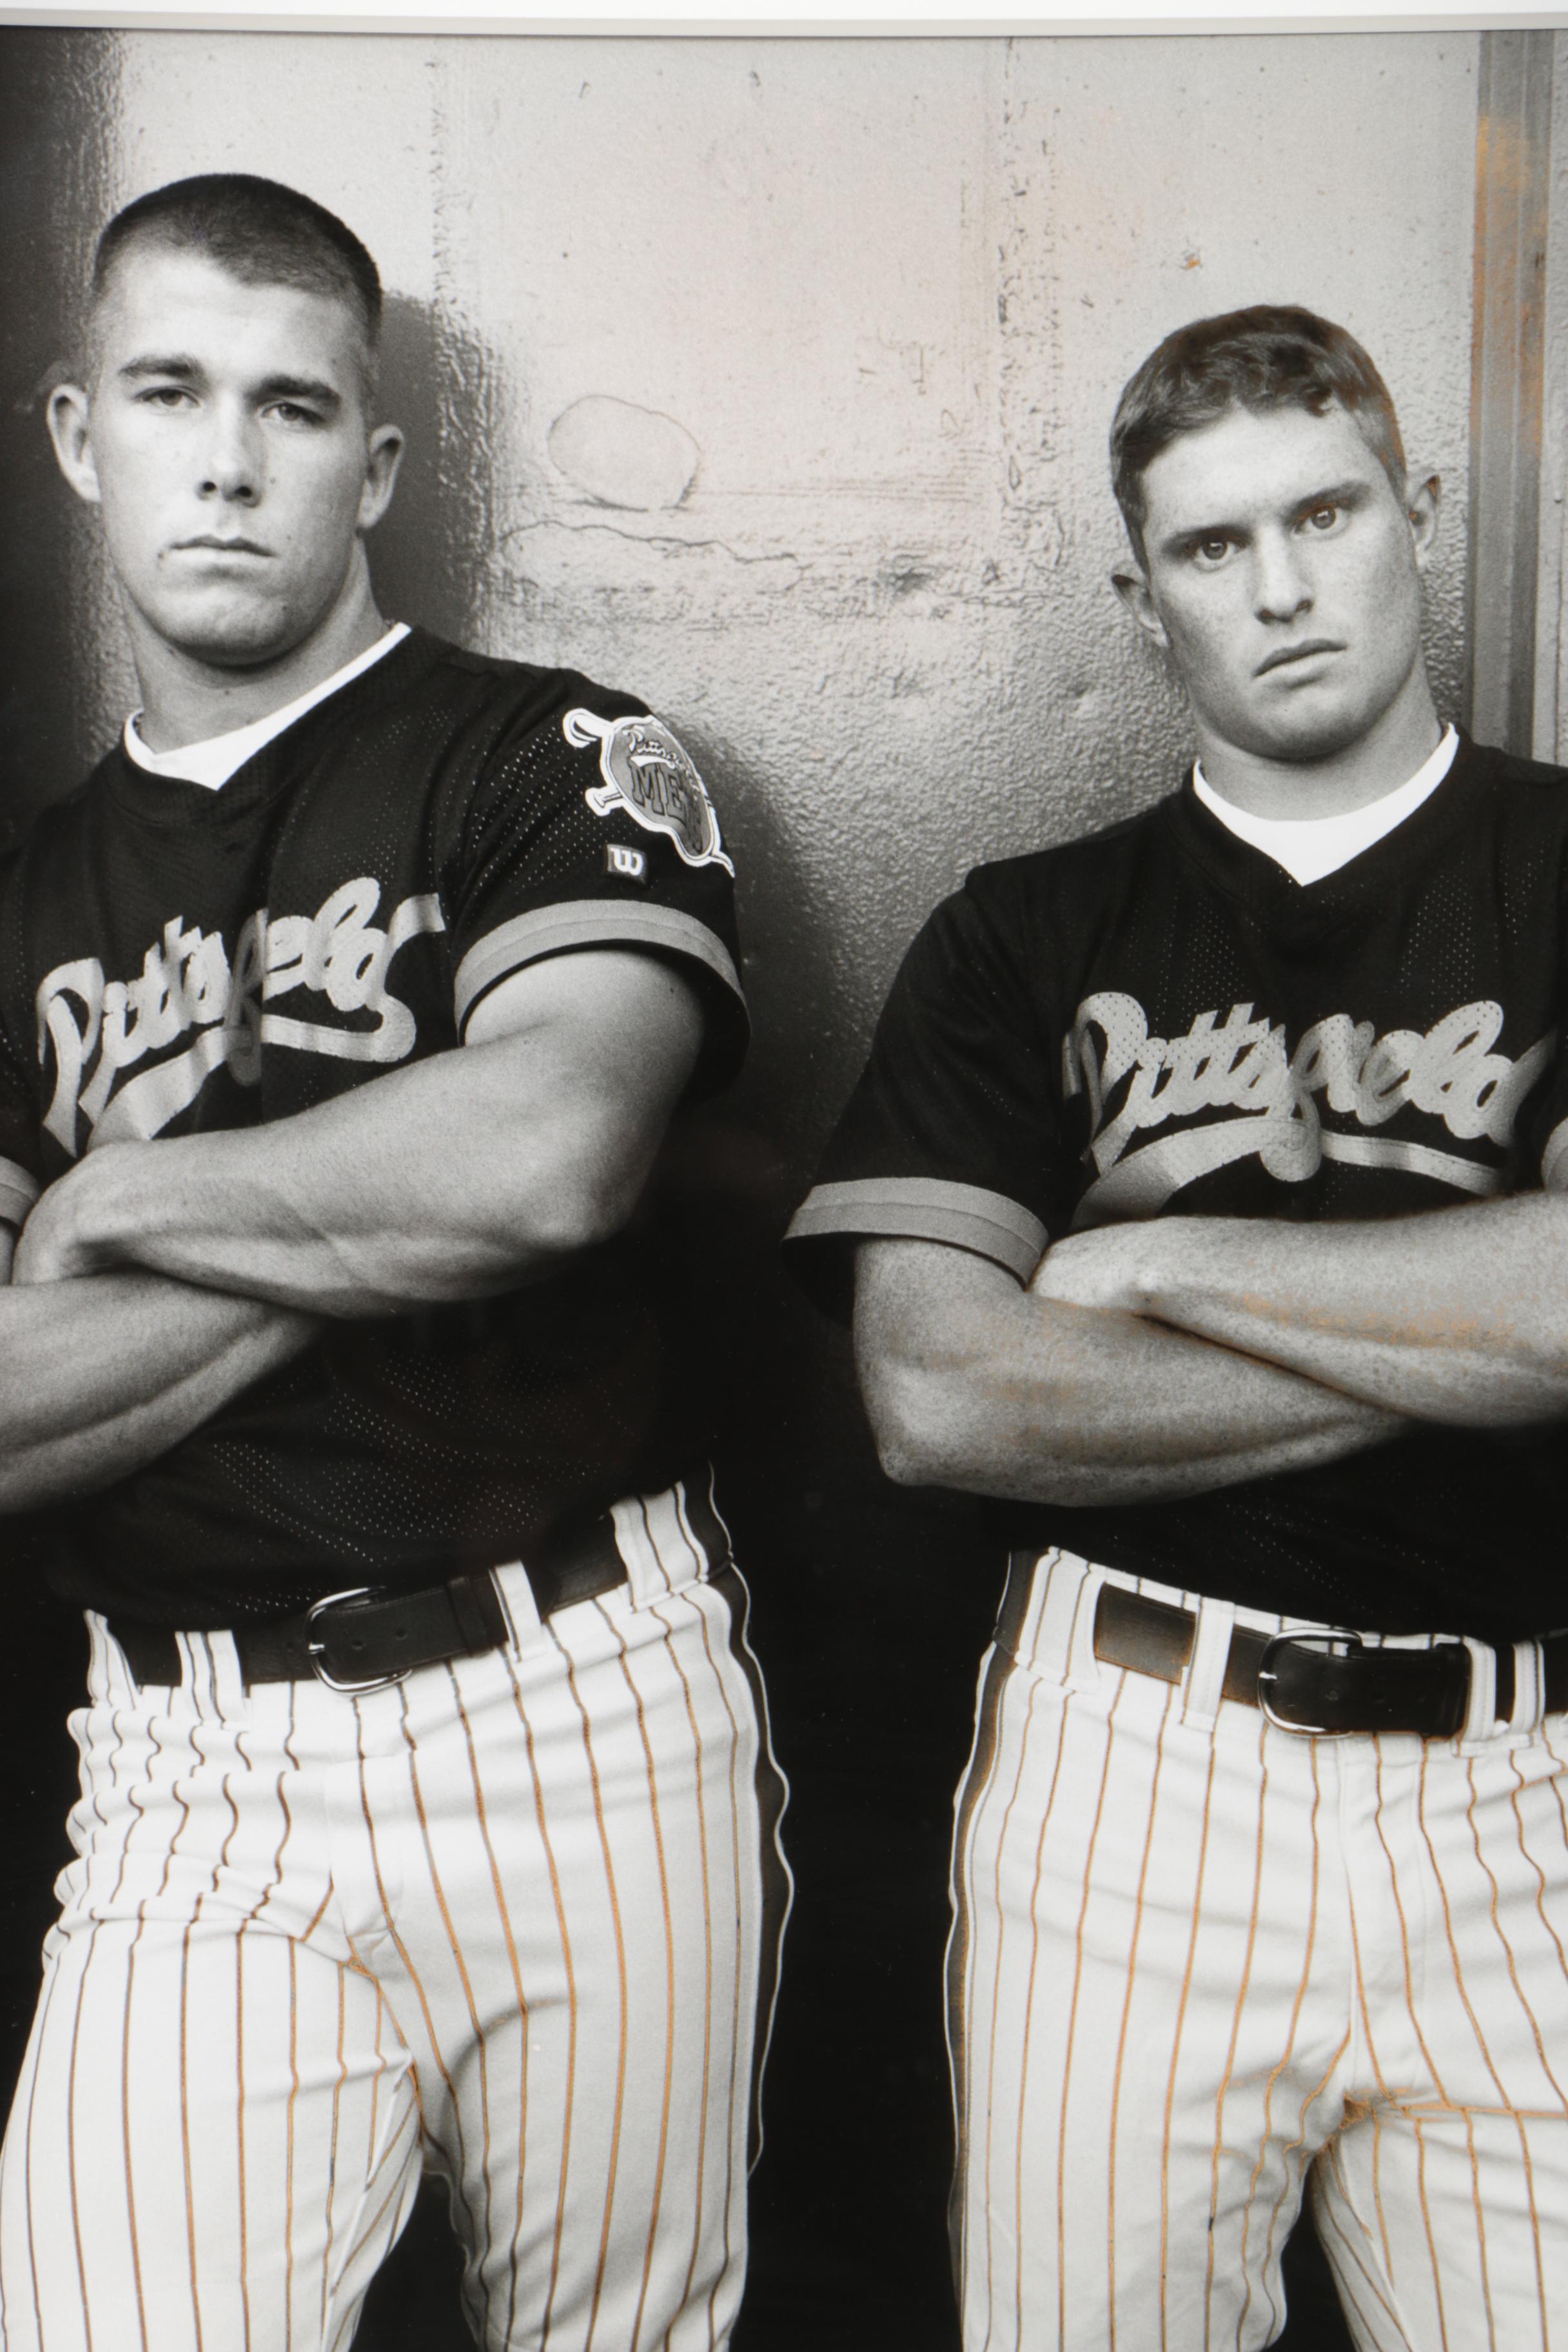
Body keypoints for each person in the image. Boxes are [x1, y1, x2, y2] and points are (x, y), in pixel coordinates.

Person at [0, 172, 789, 2352]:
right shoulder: (23, 901)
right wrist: (367, 1212)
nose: (230, 456)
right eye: (171, 392)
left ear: (379, 459)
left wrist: (108, 1207)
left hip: (581, 1700)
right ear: (83, 435)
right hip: (190, 1766)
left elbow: (544, 1158)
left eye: (292, 402)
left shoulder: (546, 756)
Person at [785, 304, 1568, 2352]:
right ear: (1144, 601)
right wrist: (1457, 1323)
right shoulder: (1022, 933)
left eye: (1325, 511)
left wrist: (1152, 1263)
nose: (1286, 585)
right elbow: (941, 1394)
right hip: (1133, 1767)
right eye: (1215, 548)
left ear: (1421, 508)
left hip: (1524, 1777)